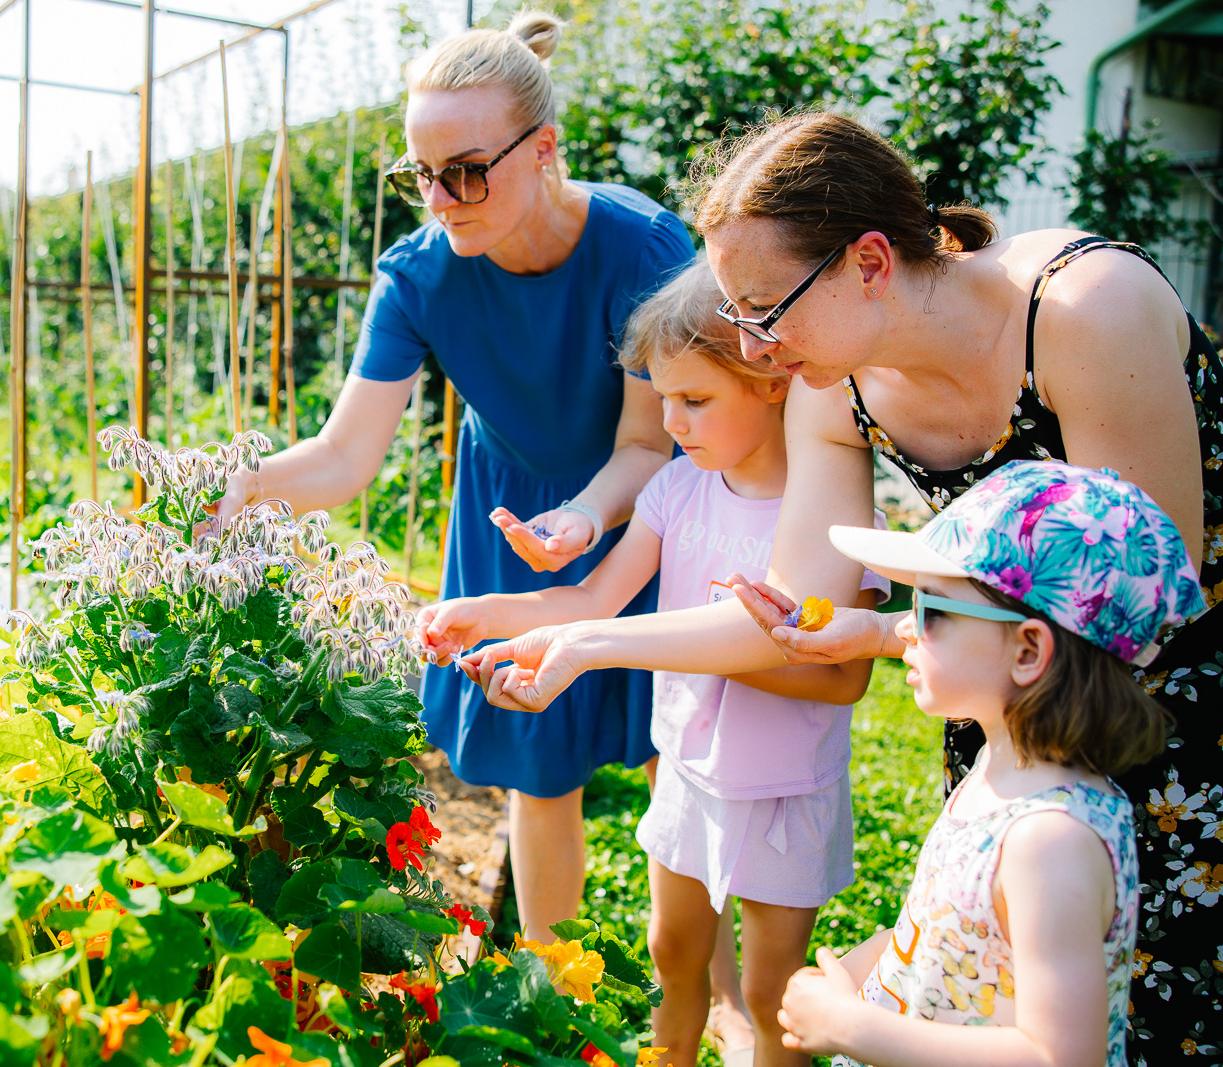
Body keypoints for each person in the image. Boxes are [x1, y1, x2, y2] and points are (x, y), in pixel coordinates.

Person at [462, 111, 1222, 1060]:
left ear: (869, 262)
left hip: (1165, 689)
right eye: (737, 314)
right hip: (1004, 667)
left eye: (764, 308)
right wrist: (586, 639)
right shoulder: (837, 380)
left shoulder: (1085, 308)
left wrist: (900, 633)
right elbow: (794, 608)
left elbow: (1132, 604)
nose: (756, 349)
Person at [212, 4, 711, 974]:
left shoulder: (644, 248)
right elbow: (342, 458)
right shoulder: (417, 279)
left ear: (543, 150)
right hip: (510, 510)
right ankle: (550, 984)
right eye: (420, 176)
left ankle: (682, 985)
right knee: (537, 767)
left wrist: (586, 517)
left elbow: (648, 440)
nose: (442, 199)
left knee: (672, 746)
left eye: (467, 171)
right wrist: (230, 490)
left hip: (647, 500)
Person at [420, 262, 884, 1067]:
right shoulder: (673, 491)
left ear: (774, 380)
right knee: (672, 951)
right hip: (687, 776)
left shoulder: (833, 515)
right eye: (662, 397)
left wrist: (710, 649)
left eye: (695, 400)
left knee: (774, 991)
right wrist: (484, 612)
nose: (670, 421)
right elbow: (590, 601)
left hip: (787, 789)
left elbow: (843, 676)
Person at [777, 461, 1203, 1066]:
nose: (905, 628)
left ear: (1029, 649)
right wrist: (875, 961)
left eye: (934, 611)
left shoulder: (1048, 838)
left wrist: (853, 1029)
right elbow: (961, 938)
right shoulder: (998, 776)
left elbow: (1060, 1056)